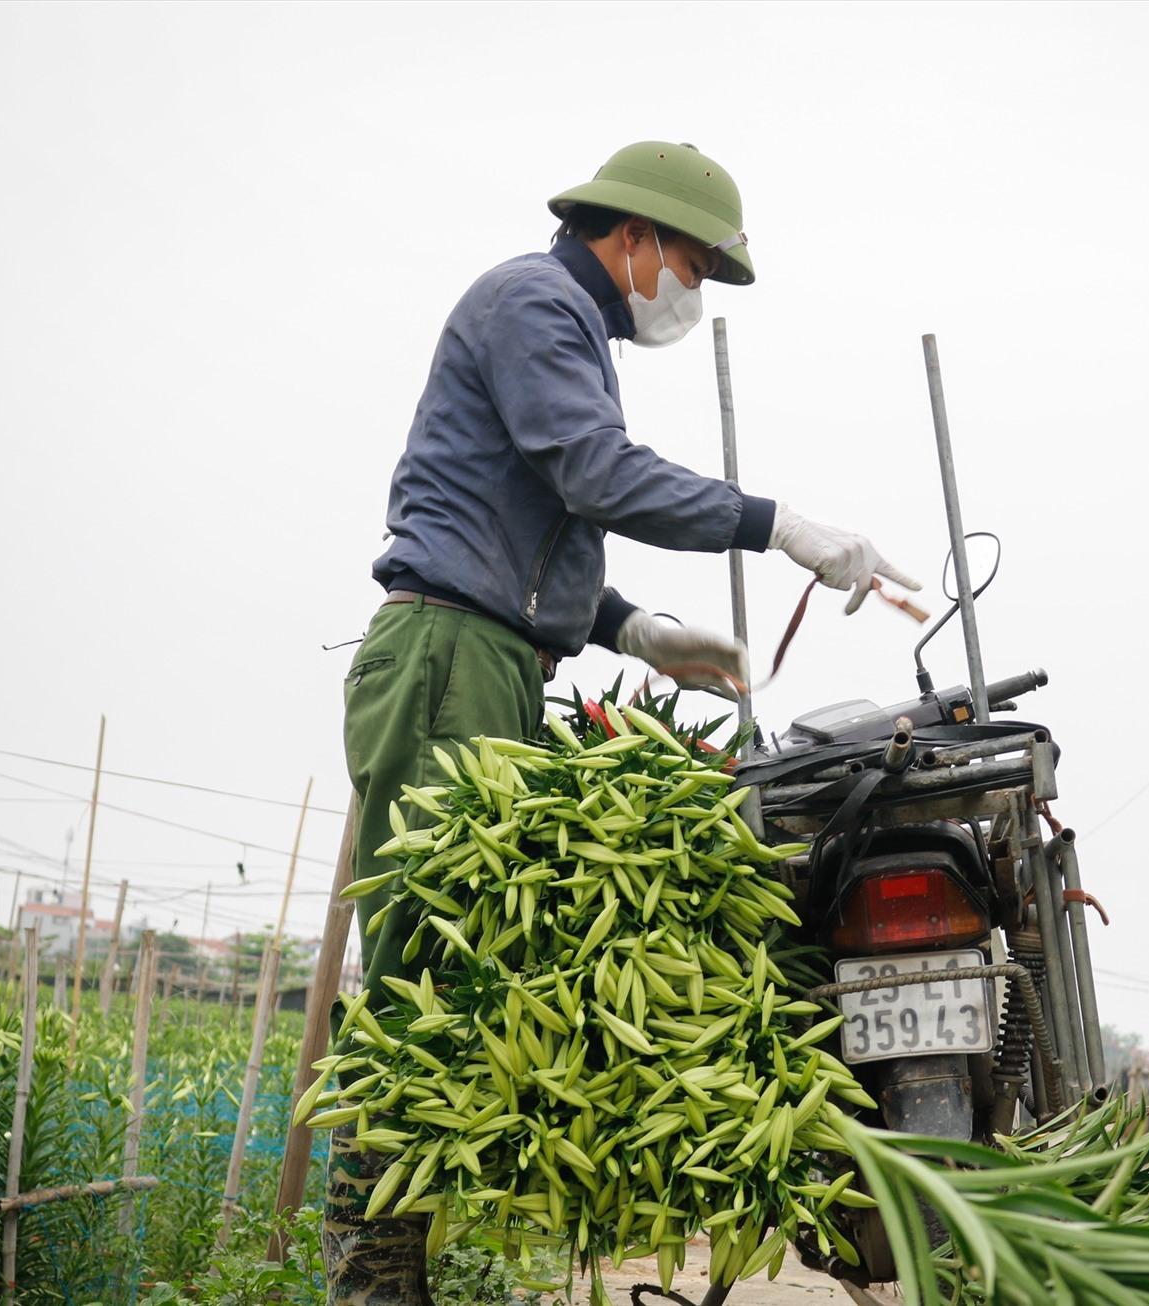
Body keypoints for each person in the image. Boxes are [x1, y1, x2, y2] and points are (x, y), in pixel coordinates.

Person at [325, 141, 917, 1303]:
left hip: (488, 654)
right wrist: (778, 525)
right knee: (417, 975)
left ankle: (403, 1267)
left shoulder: (568, 331)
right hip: (447, 661)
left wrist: (634, 629)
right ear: (635, 236)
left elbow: (517, 527)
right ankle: (372, 1279)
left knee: (463, 959)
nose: (689, 290)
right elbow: (594, 474)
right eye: (693, 265)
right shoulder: (534, 304)